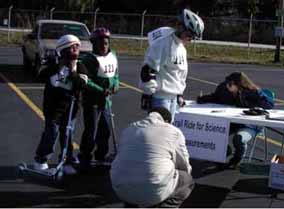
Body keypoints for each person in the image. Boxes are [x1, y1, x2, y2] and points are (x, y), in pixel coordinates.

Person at [110, 107, 194, 208]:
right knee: (187, 180)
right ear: (167, 121)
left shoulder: (129, 128)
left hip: (120, 188)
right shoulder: (173, 131)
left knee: (131, 172)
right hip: (153, 191)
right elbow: (185, 166)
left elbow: (122, 155)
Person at [196, 72, 274, 168]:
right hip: (232, 122)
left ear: (239, 85)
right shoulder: (223, 89)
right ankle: (225, 152)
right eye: (227, 83)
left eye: (230, 84)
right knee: (215, 133)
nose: (227, 86)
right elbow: (215, 97)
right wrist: (202, 99)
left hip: (249, 124)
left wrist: (247, 103)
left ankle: (237, 158)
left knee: (238, 139)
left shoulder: (252, 92)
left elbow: (269, 104)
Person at [34, 34, 88, 170]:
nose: (76, 48)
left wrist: (71, 72)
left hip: (71, 108)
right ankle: (41, 158)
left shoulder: (80, 66)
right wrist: (57, 66)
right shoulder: (54, 66)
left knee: (67, 134)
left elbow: (82, 85)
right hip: (53, 107)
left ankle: (67, 159)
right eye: (72, 46)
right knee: (51, 133)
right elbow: (40, 75)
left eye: (77, 45)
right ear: (63, 50)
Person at [139, 8, 204, 122]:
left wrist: (179, 94)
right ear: (180, 26)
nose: (190, 39)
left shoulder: (181, 48)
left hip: (173, 98)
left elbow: (181, 74)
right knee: (159, 134)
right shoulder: (163, 43)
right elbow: (148, 70)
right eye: (189, 34)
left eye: (193, 37)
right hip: (159, 98)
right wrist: (148, 93)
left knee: (168, 133)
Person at [77, 27, 119, 169]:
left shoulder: (112, 55)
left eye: (106, 43)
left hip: (106, 101)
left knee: (105, 130)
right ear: (94, 44)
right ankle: (85, 157)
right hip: (92, 101)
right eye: (100, 43)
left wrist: (116, 84)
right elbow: (86, 81)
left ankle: (101, 156)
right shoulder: (88, 59)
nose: (103, 46)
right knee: (91, 130)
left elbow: (115, 74)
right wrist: (101, 90)